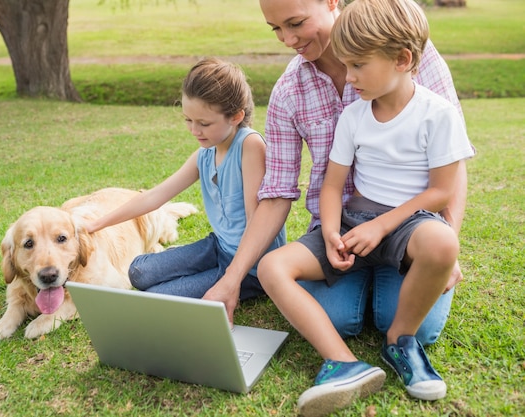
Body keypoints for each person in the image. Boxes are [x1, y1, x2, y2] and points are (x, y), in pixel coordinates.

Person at [197, 0, 473, 415]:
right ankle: (345, 363)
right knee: (338, 319)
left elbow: (448, 172)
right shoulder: (298, 93)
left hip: (410, 226)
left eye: (296, 23)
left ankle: (400, 337)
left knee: (411, 321)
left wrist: (446, 240)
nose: (288, 40)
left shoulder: (408, 47)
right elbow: (292, 190)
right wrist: (235, 277)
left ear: (330, 3)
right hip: (345, 228)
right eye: (275, 29)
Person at [85, 57, 286, 301]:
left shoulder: (250, 146)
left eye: (204, 123)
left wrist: (231, 277)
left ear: (235, 116)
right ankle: (200, 269)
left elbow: (258, 223)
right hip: (218, 247)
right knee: (138, 272)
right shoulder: (206, 152)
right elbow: (155, 196)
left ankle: (240, 283)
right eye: (188, 120)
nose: (194, 130)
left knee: (158, 296)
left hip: (250, 266)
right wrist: (97, 224)